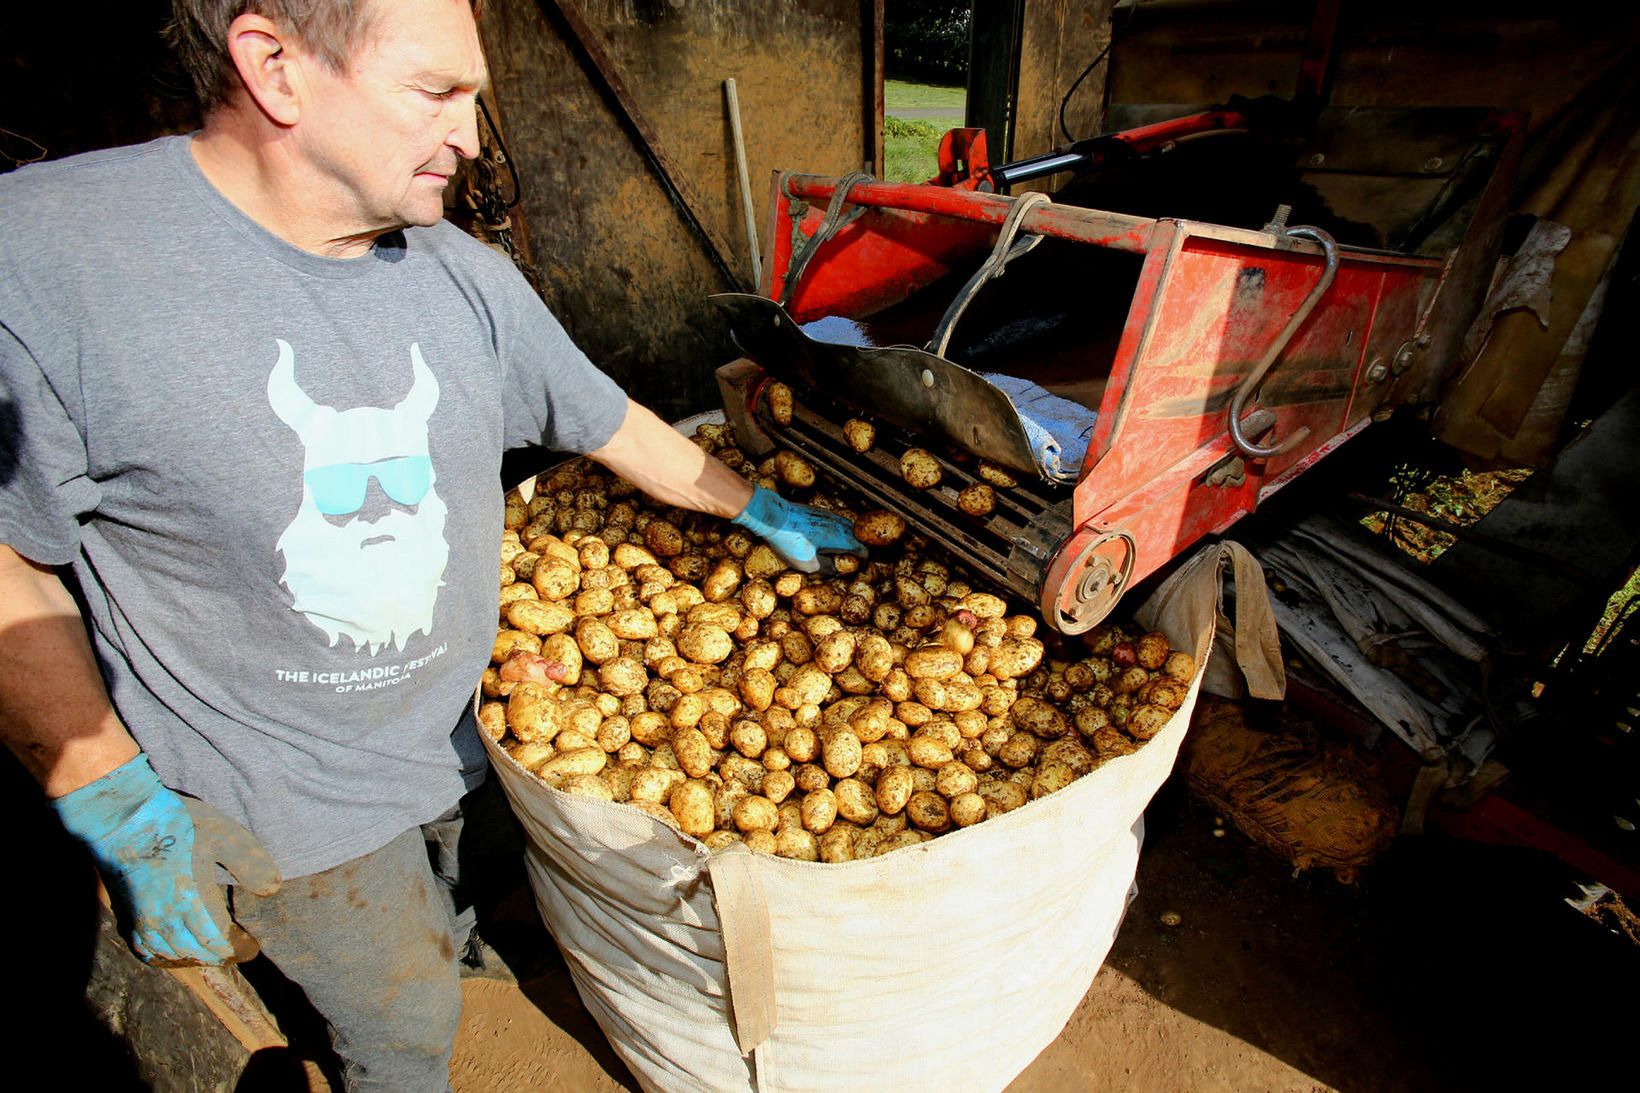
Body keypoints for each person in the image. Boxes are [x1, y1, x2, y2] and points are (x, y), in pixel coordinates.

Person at [0, 0, 862, 1087]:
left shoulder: (463, 274)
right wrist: (102, 786)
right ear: (276, 68)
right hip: (287, 799)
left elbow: (602, 419)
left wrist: (751, 507)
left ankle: (453, 930)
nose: (469, 133)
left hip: (472, 735)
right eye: (436, 92)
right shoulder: (45, 263)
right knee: (402, 1022)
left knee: (469, 898)